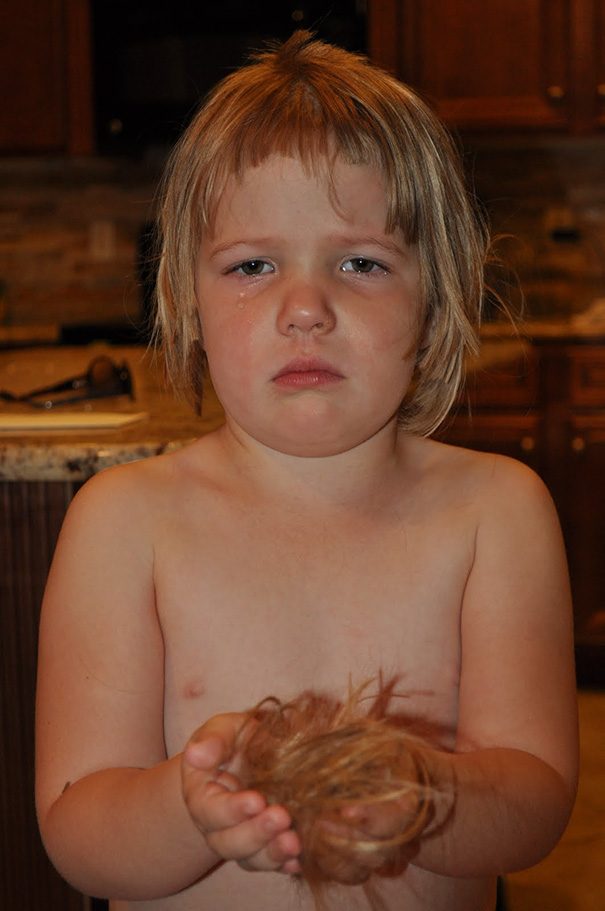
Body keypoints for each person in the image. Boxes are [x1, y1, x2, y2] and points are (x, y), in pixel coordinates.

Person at [35, 31, 578, 911]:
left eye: (360, 262)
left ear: (434, 297)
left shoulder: (496, 512)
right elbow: (77, 827)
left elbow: (536, 800)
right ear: (188, 300)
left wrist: (423, 793)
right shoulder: (125, 520)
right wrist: (187, 808)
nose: (304, 309)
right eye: (252, 265)